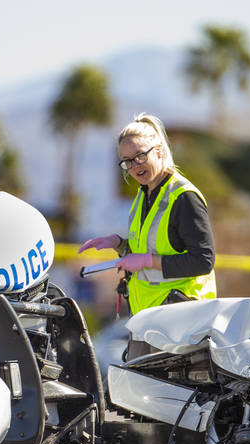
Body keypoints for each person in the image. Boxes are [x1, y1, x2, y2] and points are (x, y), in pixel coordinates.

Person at [78, 113, 216, 316]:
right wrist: (118, 244)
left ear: (159, 151)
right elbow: (149, 248)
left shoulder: (184, 197)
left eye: (141, 156)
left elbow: (204, 260)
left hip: (182, 314)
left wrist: (147, 261)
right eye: (127, 161)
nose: (135, 166)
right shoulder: (143, 196)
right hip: (149, 313)